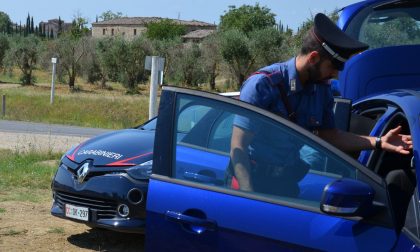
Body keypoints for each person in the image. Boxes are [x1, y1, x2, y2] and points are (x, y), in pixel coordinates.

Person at [229, 13, 413, 196]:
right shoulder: (264, 85)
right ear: (314, 58)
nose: (335, 75)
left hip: (285, 184)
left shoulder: (321, 89)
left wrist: (379, 142)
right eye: (334, 67)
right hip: (251, 182)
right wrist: (249, 195)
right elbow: (239, 147)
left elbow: (330, 136)